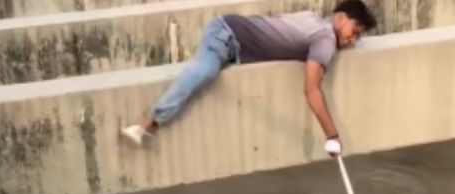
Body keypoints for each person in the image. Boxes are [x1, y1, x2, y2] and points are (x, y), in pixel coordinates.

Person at [121, 1, 377, 157]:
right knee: (205, 71)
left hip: (231, 39)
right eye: (355, 31)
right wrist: (332, 136)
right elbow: (311, 89)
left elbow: (276, 20)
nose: (353, 39)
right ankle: (148, 123)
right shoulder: (325, 40)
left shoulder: (311, 19)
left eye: (359, 37)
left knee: (206, 70)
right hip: (226, 35)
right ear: (340, 18)